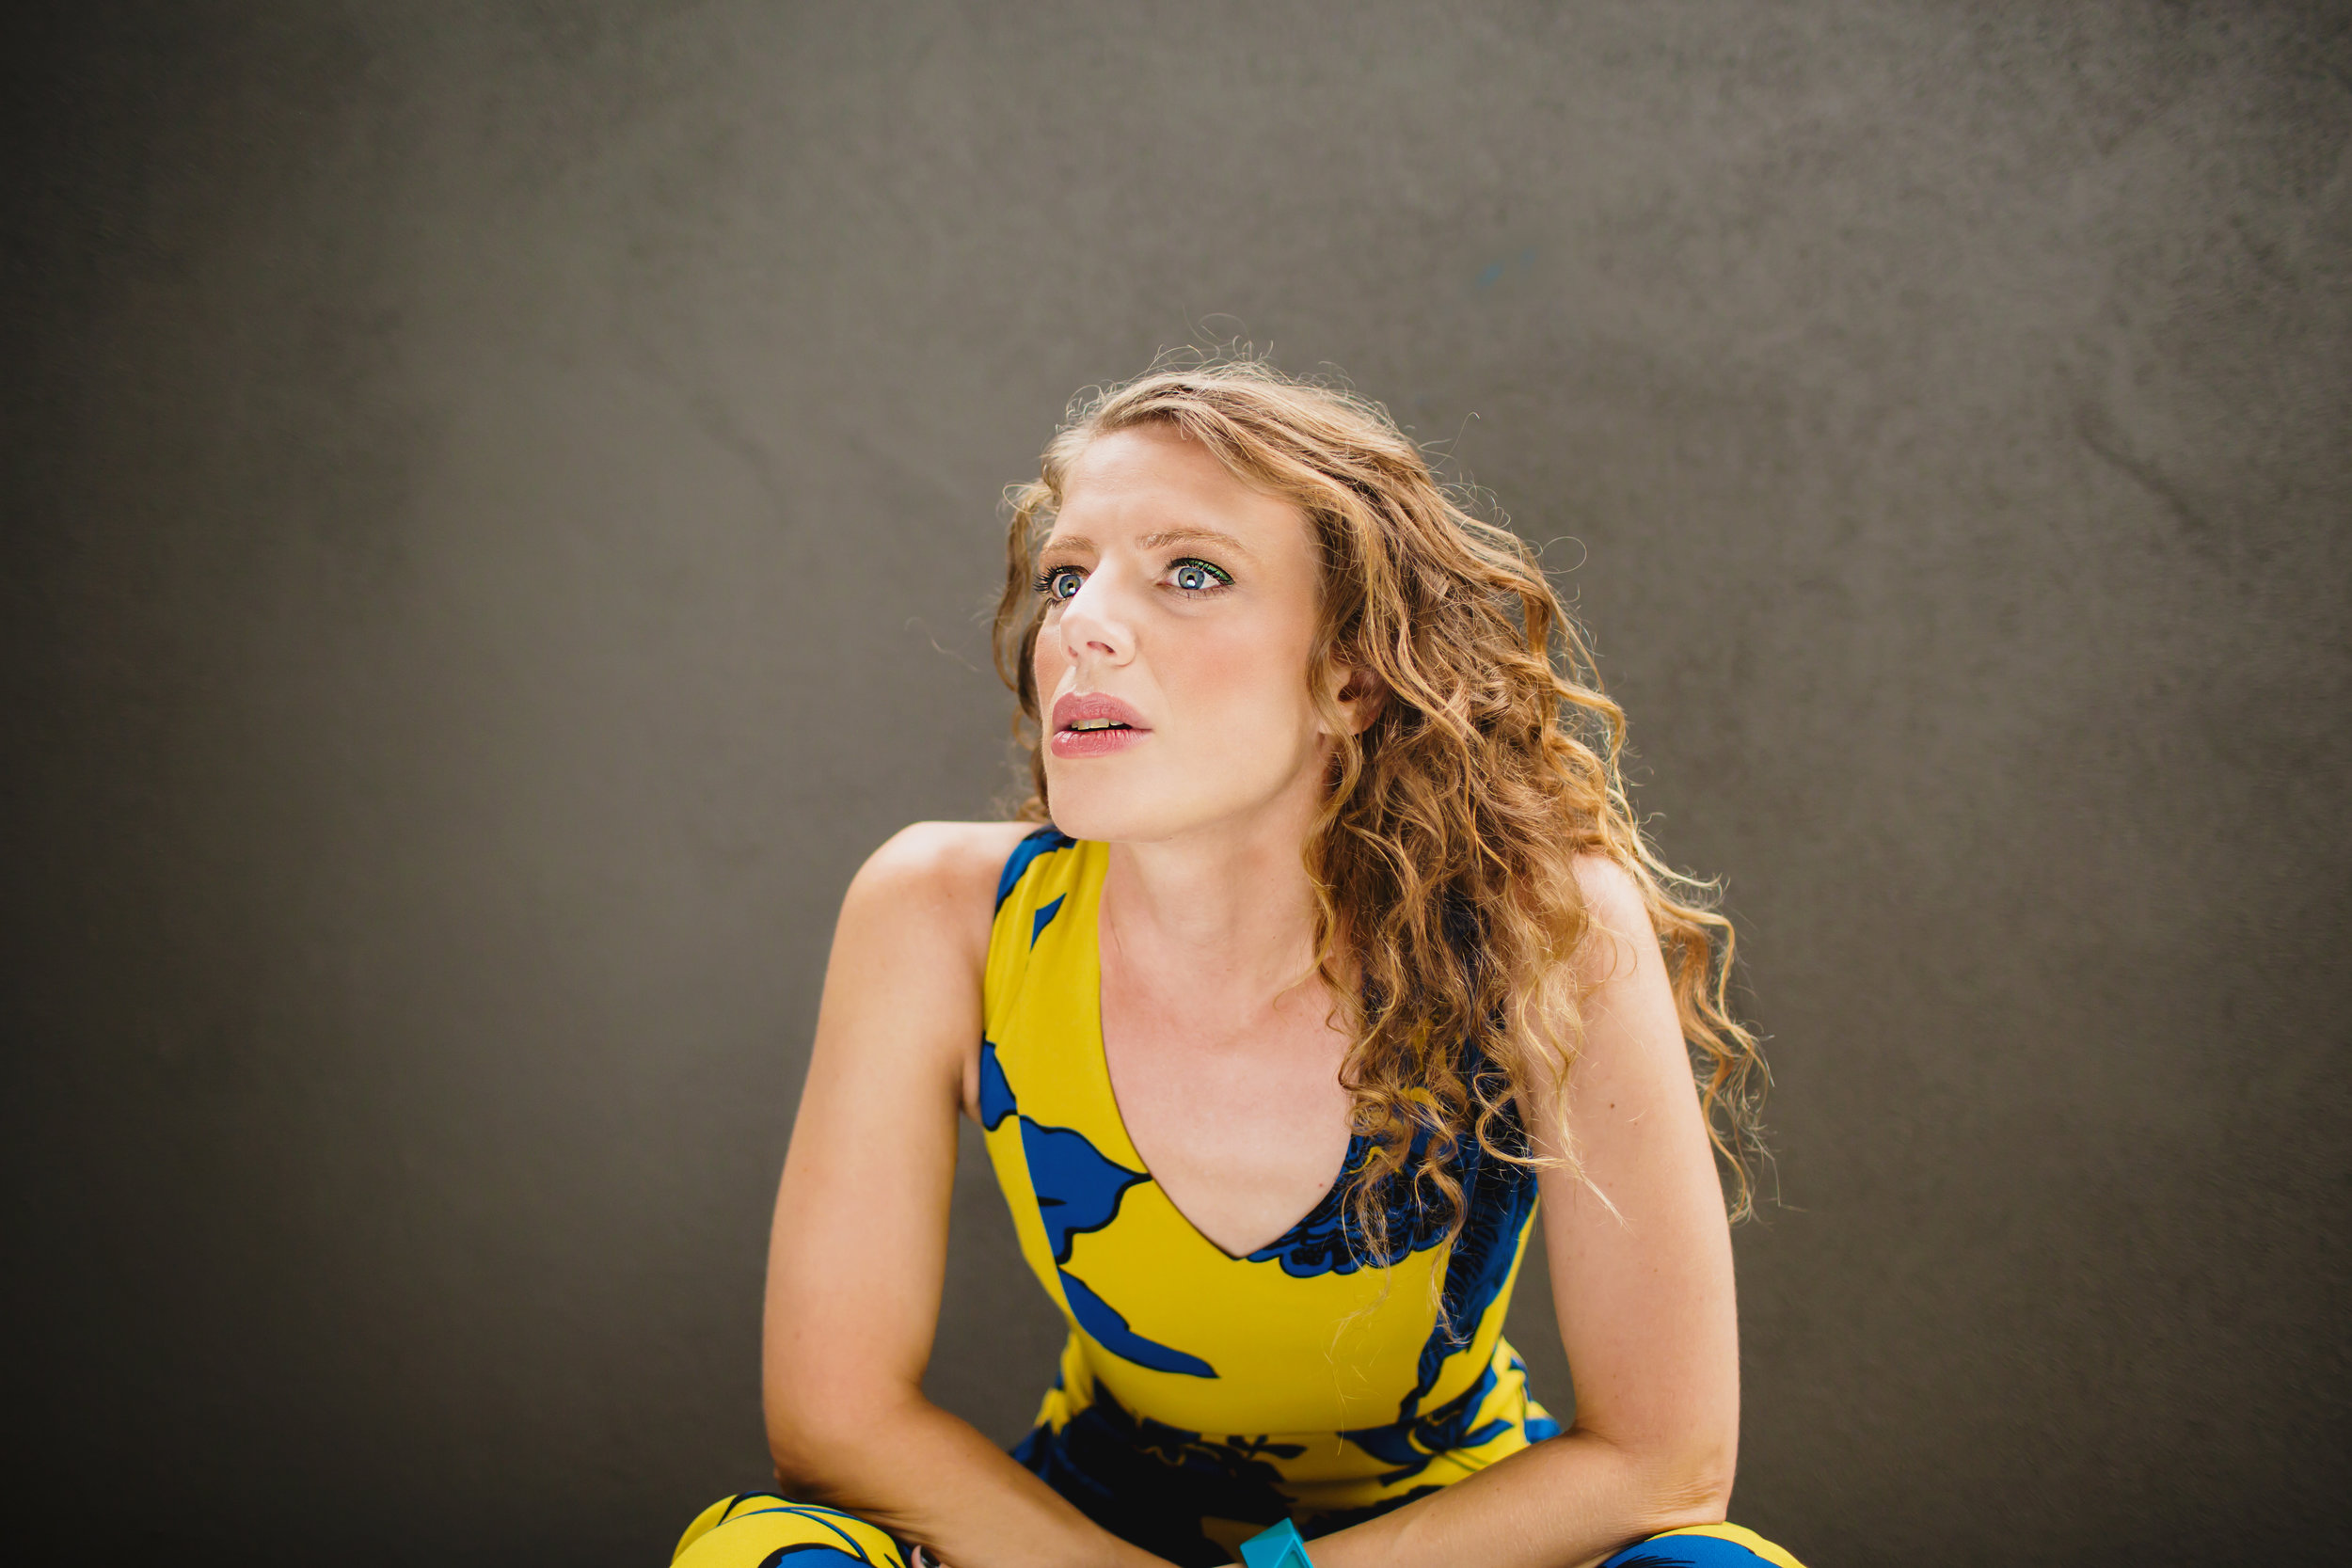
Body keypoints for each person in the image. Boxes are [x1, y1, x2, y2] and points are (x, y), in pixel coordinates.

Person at [671, 358, 1803, 1568]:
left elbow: (1665, 1460)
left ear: (1351, 676)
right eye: (1066, 575)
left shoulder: (1549, 928)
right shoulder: (940, 914)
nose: (1082, 623)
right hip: (1073, 1541)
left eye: (1191, 572)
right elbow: (836, 1421)